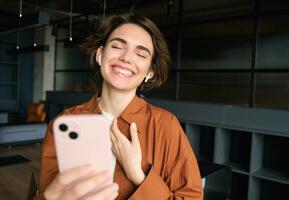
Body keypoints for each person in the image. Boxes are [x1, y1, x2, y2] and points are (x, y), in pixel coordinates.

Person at [35, 13, 203, 200]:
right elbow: (47, 193)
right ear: (100, 55)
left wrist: (138, 175)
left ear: (150, 71)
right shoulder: (65, 122)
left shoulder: (165, 125)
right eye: (117, 46)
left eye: (140, 54)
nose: (126, 58)